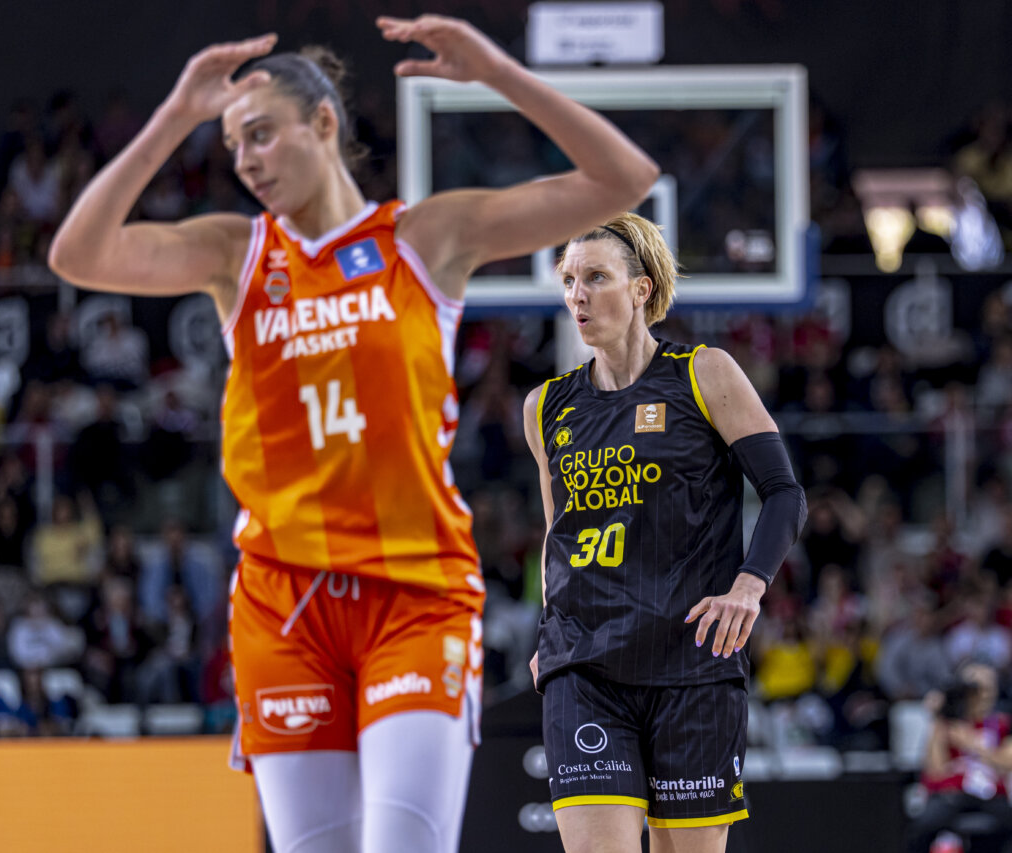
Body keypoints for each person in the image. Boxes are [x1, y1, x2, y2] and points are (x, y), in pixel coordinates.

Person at [50, 14, 657, 852]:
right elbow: (77, 255)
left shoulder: (423, 239)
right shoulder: (237, 255)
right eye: (233, 146)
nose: (247, 161)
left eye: (261, 135)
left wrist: (496, 72)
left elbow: (624, 178)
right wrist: (175, 116)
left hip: (414, 590)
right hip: (282, 600)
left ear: (324, 124)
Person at [524, 213, 807, 853]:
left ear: (642, 288)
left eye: (596, 277)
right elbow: (556, 536)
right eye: (569, 280)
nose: (577, 295)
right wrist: (549, 629)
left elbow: (785, 493)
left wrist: (749, 587)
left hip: (692, 662)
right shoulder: (546, 407)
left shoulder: (704, 374)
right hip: (585, 666)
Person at [907, 661, 1012, 853]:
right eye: (975, 688)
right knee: (923, 825)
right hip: (952, 794)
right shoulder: (947, 723)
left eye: (987, 687)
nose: (982, 695)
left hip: (991, 795)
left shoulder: (1002, 723)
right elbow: (936, 769)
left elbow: (1008, 761)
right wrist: (938, 719)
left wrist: (972, 744)